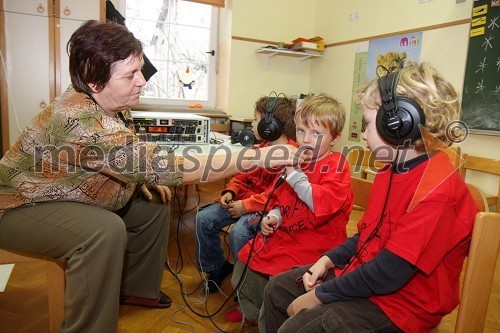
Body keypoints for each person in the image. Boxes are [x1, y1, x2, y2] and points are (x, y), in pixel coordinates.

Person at [0, 20, 298, 333]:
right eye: (131, 74)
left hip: (67, 196)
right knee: (103, 231)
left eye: (140, 70)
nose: (142, 81)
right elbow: (170, 166)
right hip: (19, 208)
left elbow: (129, 159)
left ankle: (137, 290)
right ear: (94, 80)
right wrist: (256, 156)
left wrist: (143, 177)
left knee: (154, 204)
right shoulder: (81, 119)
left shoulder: (109, 104)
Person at [262, 61, 479, 333]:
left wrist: (319, 295)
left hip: (402, 306)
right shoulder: (390, 171)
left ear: (397, 124)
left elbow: (390, 271)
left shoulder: (437, 190)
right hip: (368, 279)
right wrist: (326, 261)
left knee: (301, 326)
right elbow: (368, 234)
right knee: (279, 289)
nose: (363, 134)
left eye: (366, 124)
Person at [230, 93, 353, 326]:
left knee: (279, 284)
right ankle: (254, 313)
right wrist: (273, 216)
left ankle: (272, 317)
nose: (306, 139)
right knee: (245, 260)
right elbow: (280, 199)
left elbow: (320, 203)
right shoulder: (298, 159)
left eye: (317, 134)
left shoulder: (337, 165)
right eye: (301, 131)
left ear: (335, 137)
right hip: (286, 235)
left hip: (315, 244)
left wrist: (295, 175)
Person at [195, 96, 298, 293]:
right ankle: (217, 268)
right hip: (244, 201)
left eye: (255, 119)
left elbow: (276, 194)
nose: (252, 123)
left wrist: (245, 206)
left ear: (270, 125)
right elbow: (242, 176)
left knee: (239, 231)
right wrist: (231, 191)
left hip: (266, 208)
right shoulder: (260, 148)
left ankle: (247, 286)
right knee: (203, 218)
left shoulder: (290, 154)